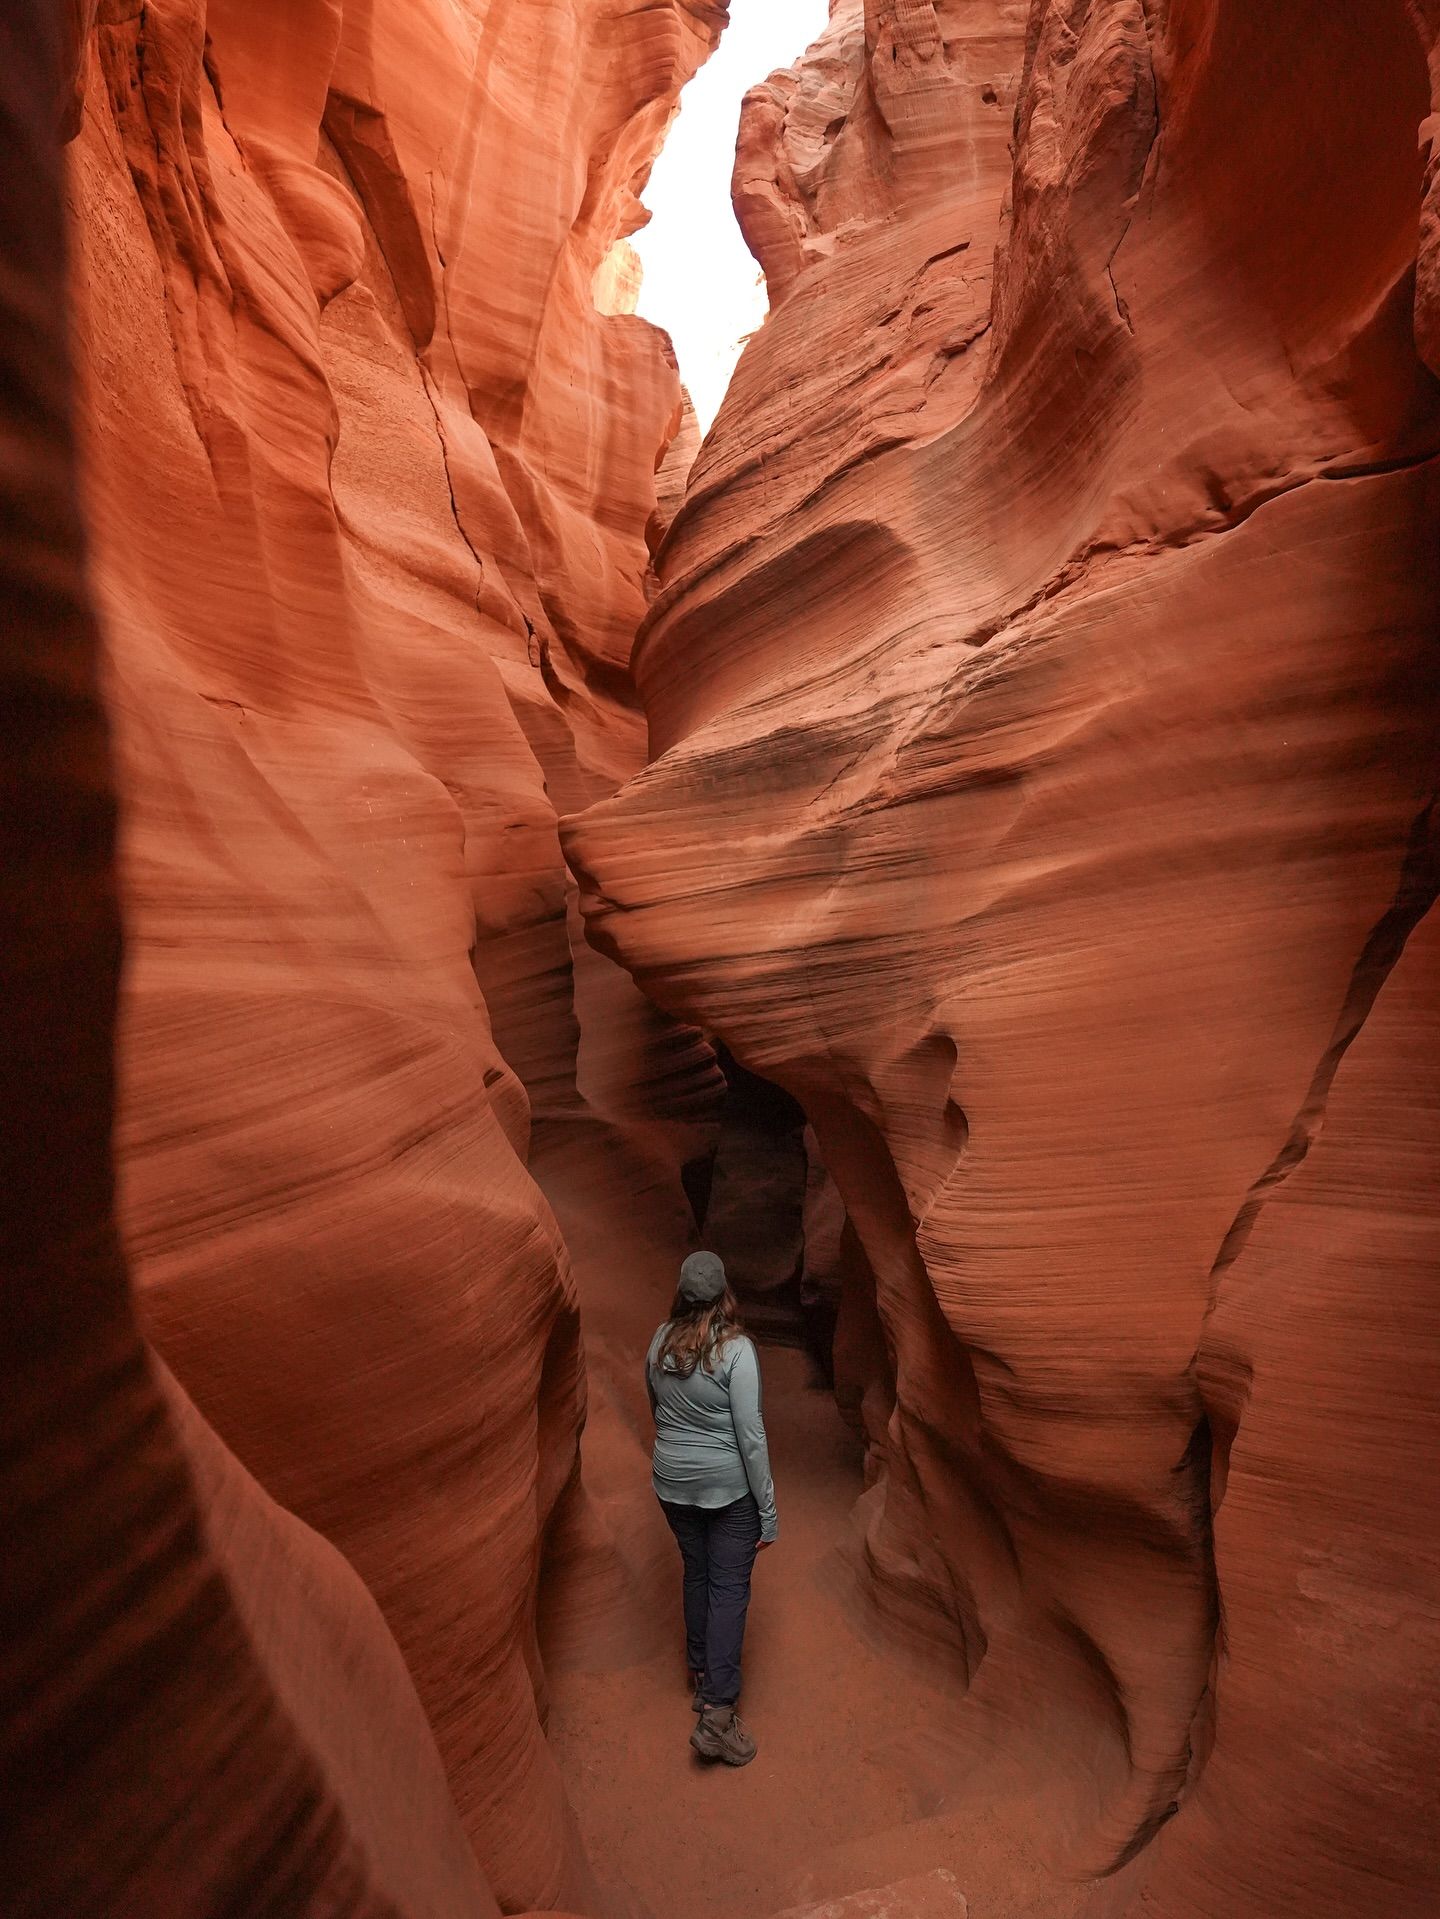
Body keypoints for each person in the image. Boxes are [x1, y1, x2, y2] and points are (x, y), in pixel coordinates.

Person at [646, 1250, 778, 1767]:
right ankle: (718, 1716)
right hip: (727, 1489)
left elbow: (655, 1408)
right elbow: (751, 1437)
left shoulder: (658, 1341)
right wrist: (767, 1510)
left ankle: (700, 1672)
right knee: (728, 1588)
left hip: (671, 1482)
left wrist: (681, 1455)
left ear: (681, 1293)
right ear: (724, 1294)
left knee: (697, 1571)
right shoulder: (738, 1351)